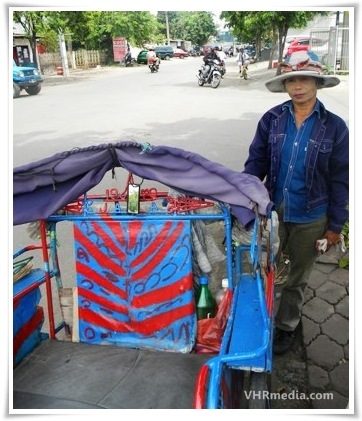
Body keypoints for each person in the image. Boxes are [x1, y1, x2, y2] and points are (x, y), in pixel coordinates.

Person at [243, 51, 349, 354]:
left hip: (312, 215)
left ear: (317, 82)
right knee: (263, 269)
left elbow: (340, 179)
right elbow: (255, 164)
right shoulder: (272, 120)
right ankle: (260, 318)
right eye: (291, 80)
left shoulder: (335, 127)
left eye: (304, 79)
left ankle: (288, 324)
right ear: (285, 84)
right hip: (272, 212)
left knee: (298, 277)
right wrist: (244, 198)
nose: (297, 85)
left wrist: (334, 226)